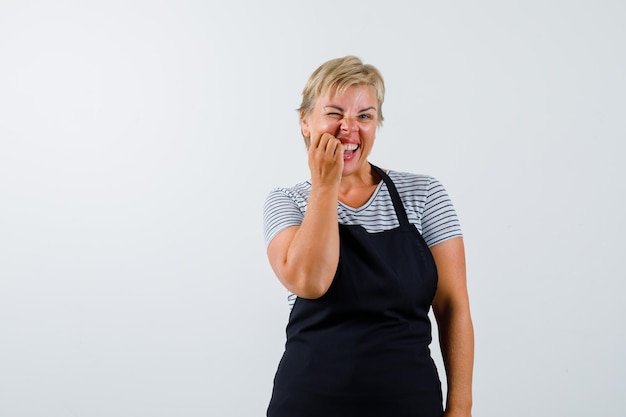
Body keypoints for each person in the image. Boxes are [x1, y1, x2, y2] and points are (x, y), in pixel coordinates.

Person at [263, 56, 474, 417]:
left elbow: (453, 308)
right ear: (305, 123)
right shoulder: (289, 202)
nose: (349, 128)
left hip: (410, 405)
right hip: (308, 405)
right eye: (334, 113)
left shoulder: (424, 195)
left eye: (364, 115)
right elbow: (310, 282)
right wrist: (326, 185)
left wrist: (460, 408)